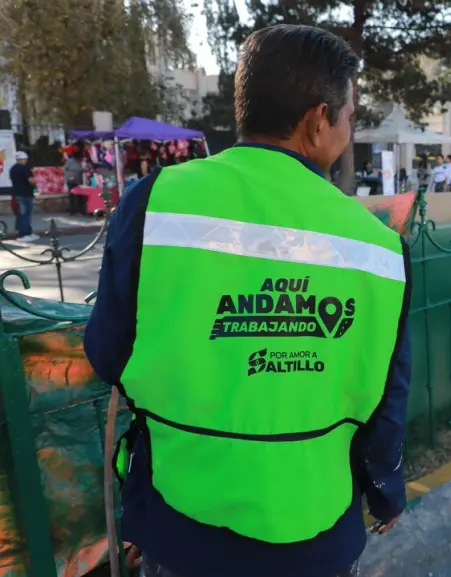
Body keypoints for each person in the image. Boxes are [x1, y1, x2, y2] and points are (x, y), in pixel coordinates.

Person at [83, 24, 411, 577]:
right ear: (317, 120)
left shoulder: (155, 202)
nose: (349, 132)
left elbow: (108, 353)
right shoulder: (377, 246)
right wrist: (386, 494)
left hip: (181, 523)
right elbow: (387, 400)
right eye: (350, 117)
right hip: (317, 533)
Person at [9, 151, 38, 242]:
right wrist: (36, 185)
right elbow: (31, 181)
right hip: (26, 194)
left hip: (17, 193)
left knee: (21, 214)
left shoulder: (12, 169)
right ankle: (24, 234)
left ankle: (27, 233)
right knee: (25, 215)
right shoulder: (25, 168)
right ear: (24, 159)